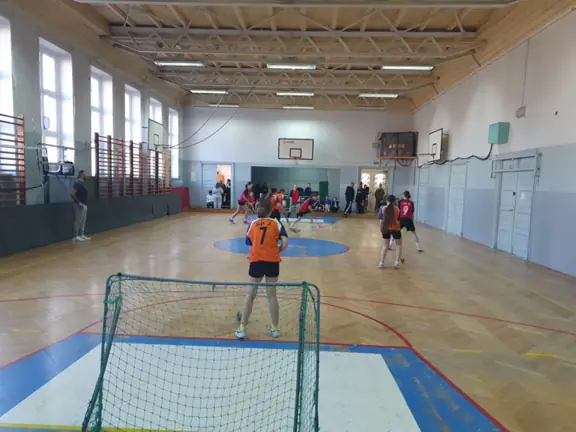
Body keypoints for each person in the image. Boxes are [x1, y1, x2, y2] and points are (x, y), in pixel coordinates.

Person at [235, 199, 289, 340]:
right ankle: (275, 329)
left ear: (257, 210)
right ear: (270, 211)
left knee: (250, 295)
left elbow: (250, 243)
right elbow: (285, 242)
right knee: (272, 296)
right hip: (272, 262)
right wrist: (276, 251)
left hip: (256, 262)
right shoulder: (276, 223)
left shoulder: (253, 223)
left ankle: (242, 328)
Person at [378, 195, 404, 269]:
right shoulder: (397, 209)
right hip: (395, 228)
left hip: (386, 229)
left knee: (385, 246)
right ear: (394, 201)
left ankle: (381, 263)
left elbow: (381, 220)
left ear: (387, 200)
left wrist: (382, 229)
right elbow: (399, 220)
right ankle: (396, 263)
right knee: (398, 245)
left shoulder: (383, 208)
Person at [71, 170, 90, 242]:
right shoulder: (77, 183)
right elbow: (72, 194)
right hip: (79, 205)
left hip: (84, 204)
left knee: (83, 220)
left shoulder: (83, 183)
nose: (87, 175)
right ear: (82, 175)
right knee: (78, 220)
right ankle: (75, 236)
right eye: (85, 174)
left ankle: (81, 234)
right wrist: (78, 203)